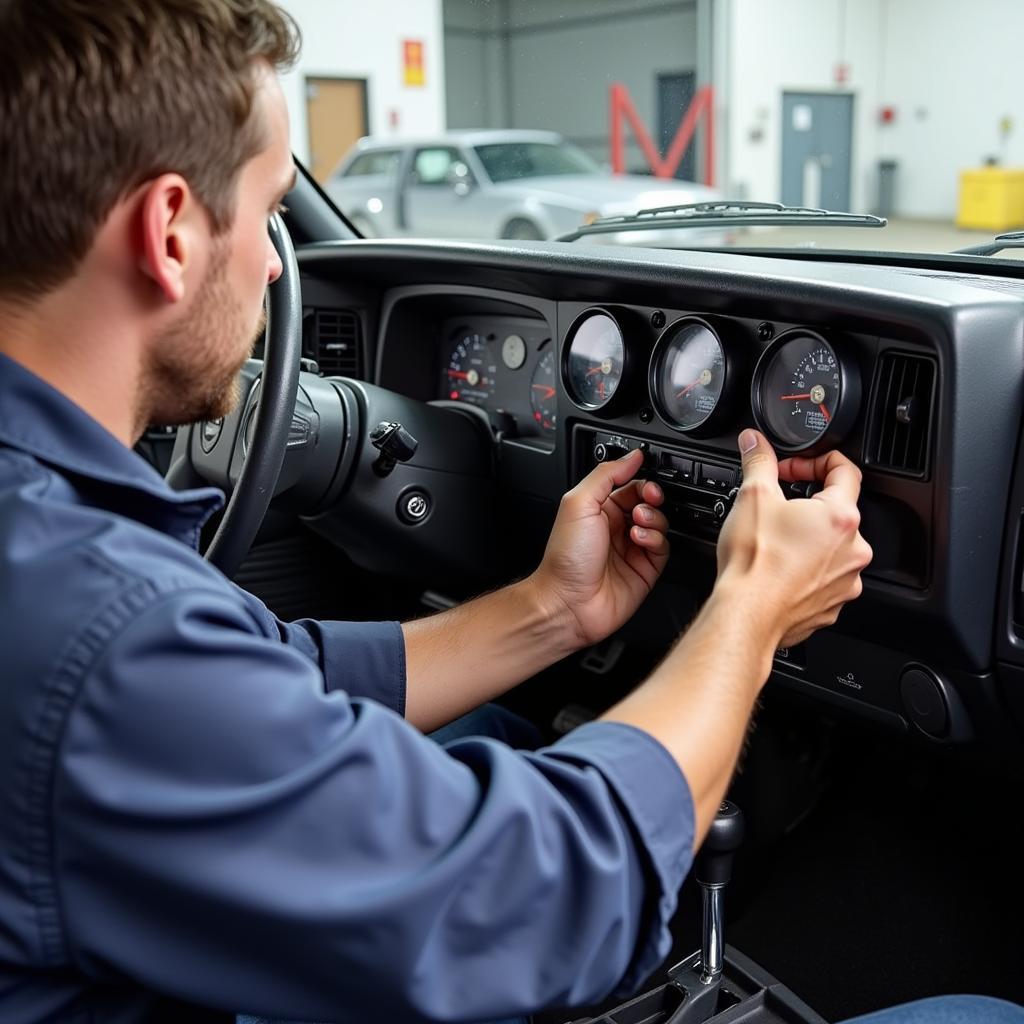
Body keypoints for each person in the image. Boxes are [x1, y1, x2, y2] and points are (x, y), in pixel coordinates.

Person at [0, 2, 969, 1023]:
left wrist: (551, 608)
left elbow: (264, 675)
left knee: (502, 731)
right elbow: (545, 897)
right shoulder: (92, 632)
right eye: (270, 211)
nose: (278, 265)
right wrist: (751, 609)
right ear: (169, 234)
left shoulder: (59, 549)